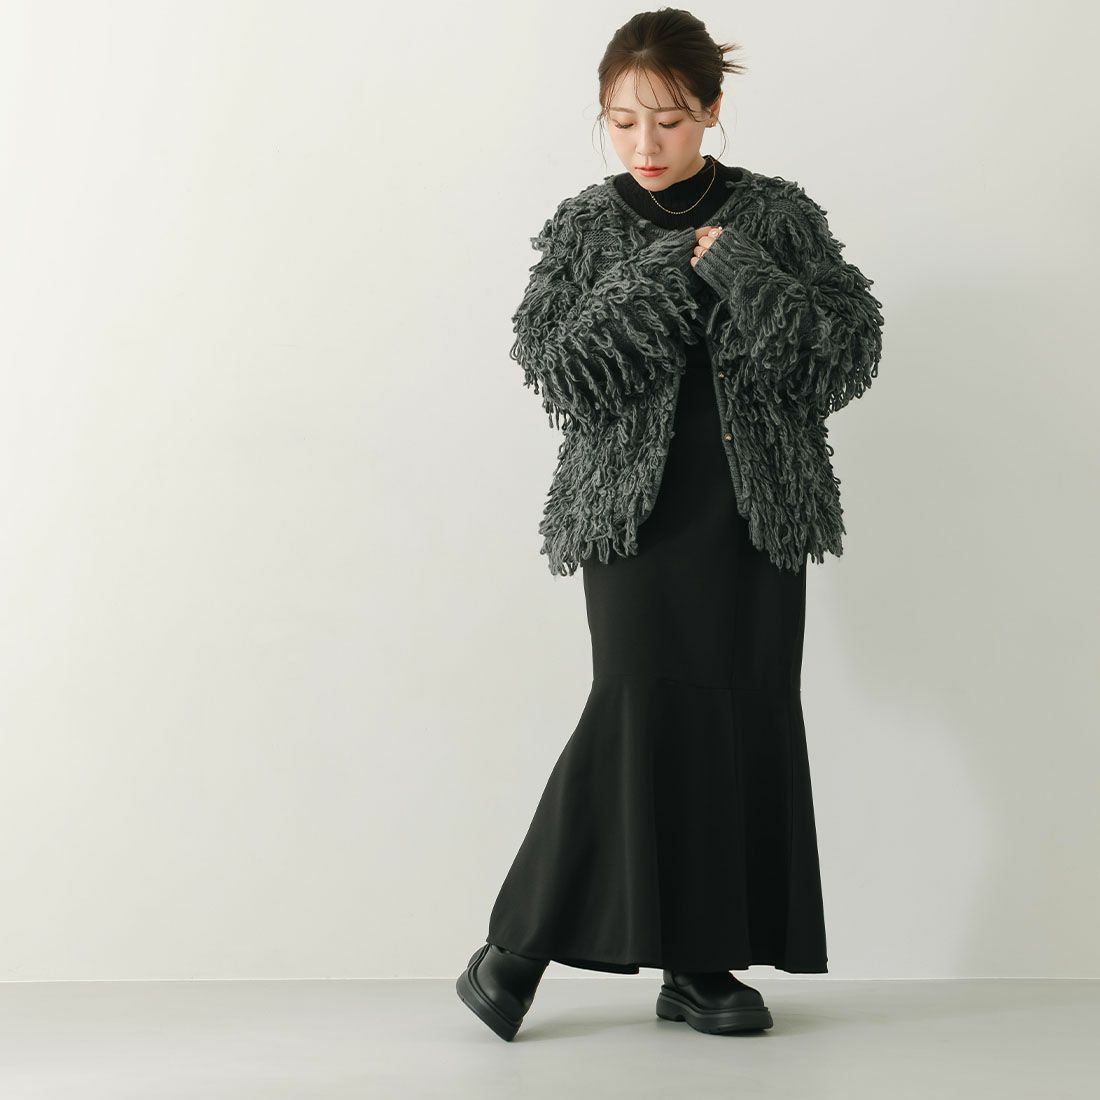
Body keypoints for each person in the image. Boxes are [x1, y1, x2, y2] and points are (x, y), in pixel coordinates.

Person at [456, 9, 884, 1041]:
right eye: (623, 122)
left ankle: (699, 966)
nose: (645, 144)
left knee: (739, 715)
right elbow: (554, 365)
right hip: (632, 514)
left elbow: (845, 352)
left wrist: (741, 274)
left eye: (670, 120)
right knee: (635, 709)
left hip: (758, 508)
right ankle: (514, 947)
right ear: (603, 117)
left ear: (711, 111)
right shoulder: (585, 225)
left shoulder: (774, 216)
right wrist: (654, 276)